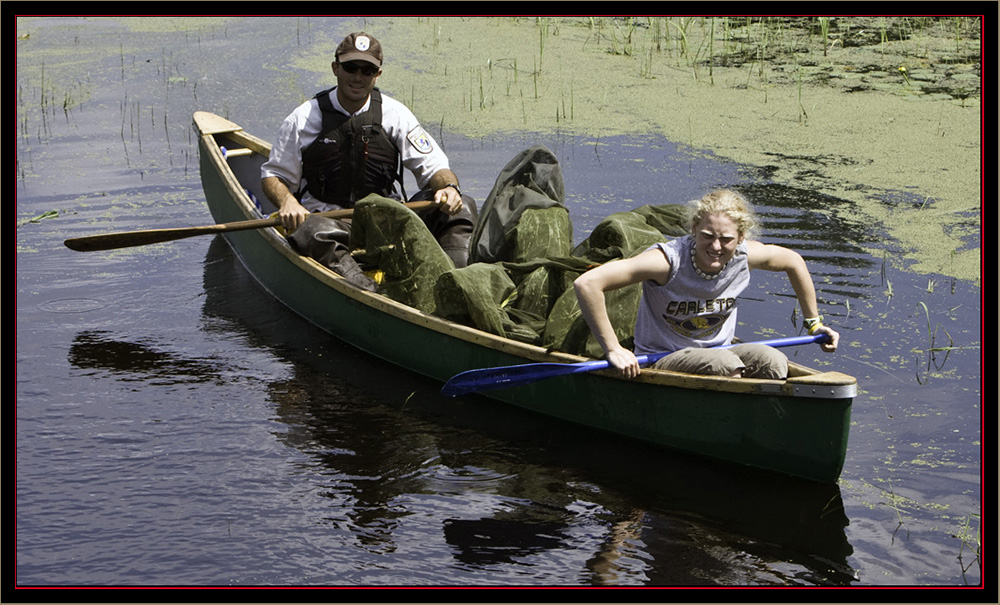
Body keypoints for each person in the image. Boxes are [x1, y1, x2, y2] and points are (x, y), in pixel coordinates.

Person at [260, 32, 477, 275]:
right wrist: (287, 201)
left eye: (367, 70)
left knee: (463, 205)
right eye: (351, 68)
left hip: (387, 219)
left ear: (378, 74)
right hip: (330, 224)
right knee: (310, 232)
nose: (358, 77)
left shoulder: (395, 114)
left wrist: (448, 187)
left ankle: (457, 282)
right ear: (335, 68)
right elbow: (273, 175)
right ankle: (368, 293)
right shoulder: (303, 118)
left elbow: (435, 167)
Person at [573, 189, 840, 380]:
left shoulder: (746, 255)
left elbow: (793, 261)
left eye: (725, 239)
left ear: (740, 237)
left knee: (774, 363)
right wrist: (613, 350)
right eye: (707, 236)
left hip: (722, 349)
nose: (715, 247)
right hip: (663, 355)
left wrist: (813, 323)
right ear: (693, 229)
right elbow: (587, 283)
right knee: (726, 367)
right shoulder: (667, 262)